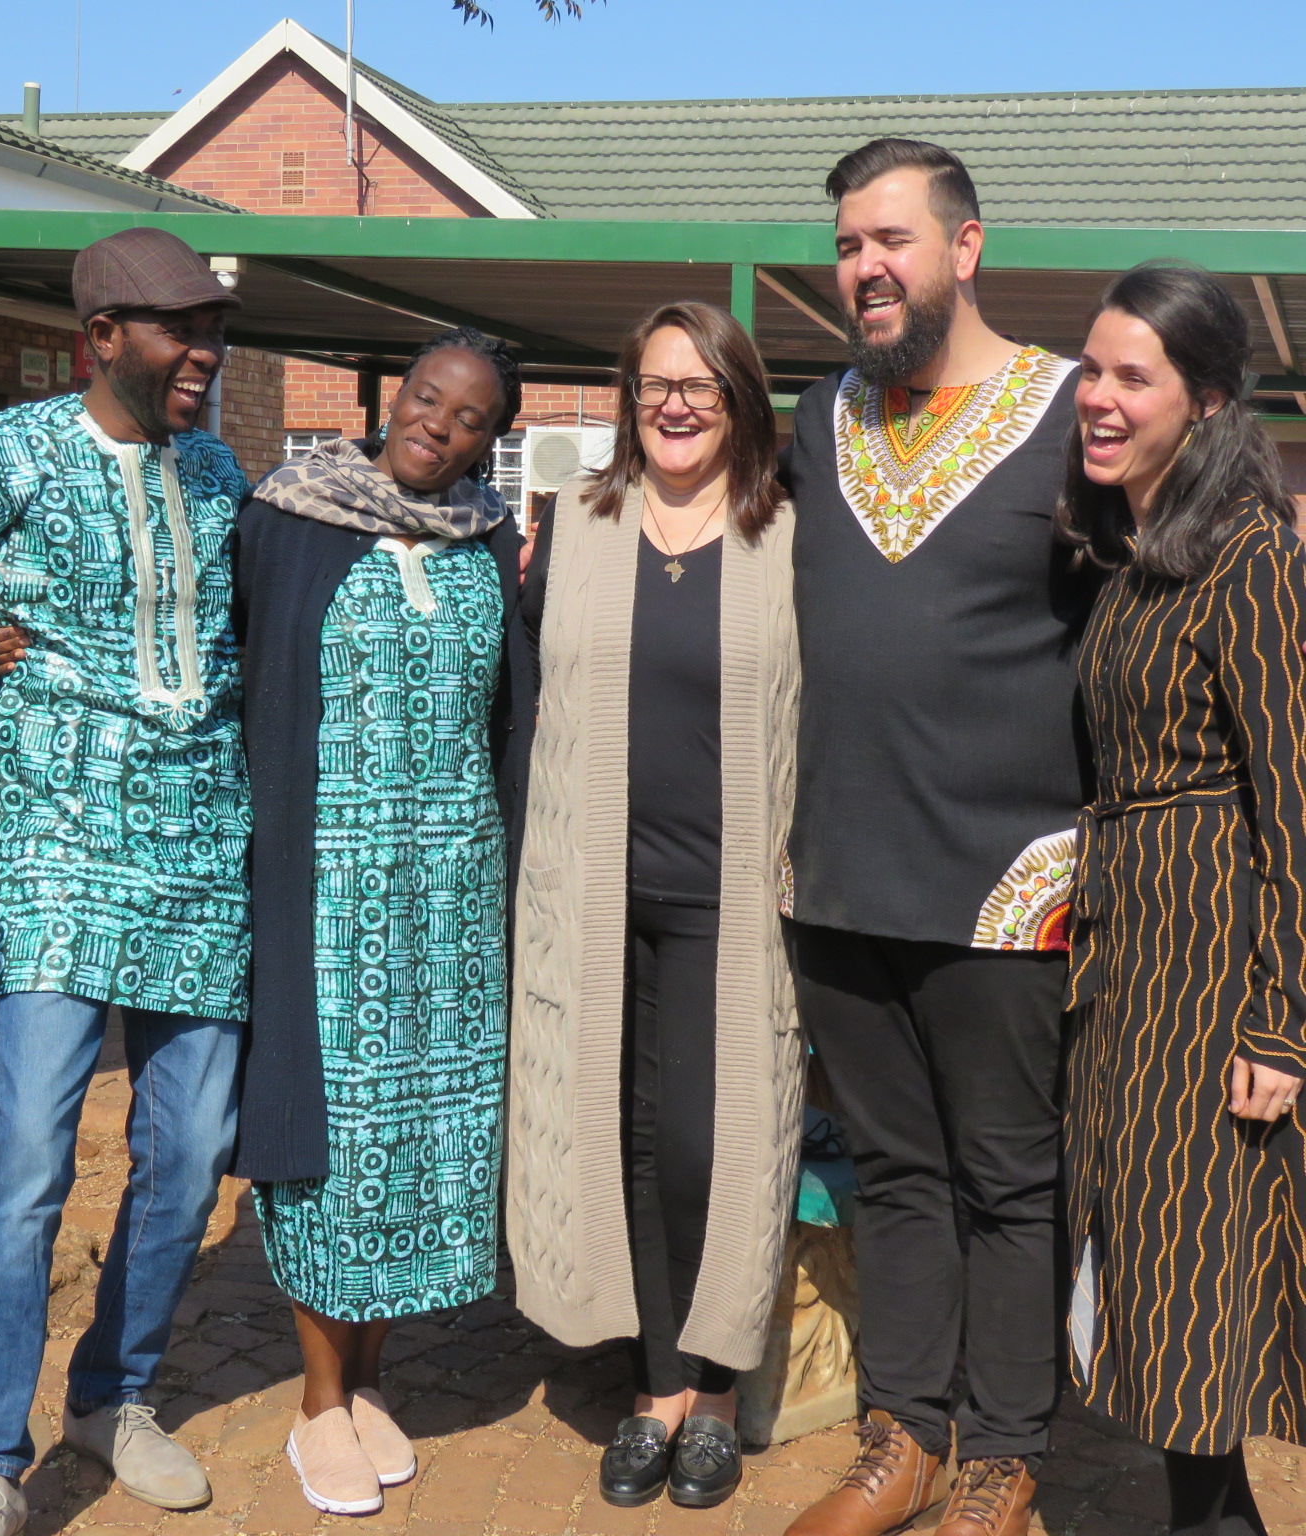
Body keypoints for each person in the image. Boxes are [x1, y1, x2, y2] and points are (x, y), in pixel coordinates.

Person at [0, 228, 251, 1536]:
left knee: (190, 1153)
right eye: (180, 330)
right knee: (28, 1151)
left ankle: (112, 1395)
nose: (205, 353)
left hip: (205, 844)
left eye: (215, 330)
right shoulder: (0, 453)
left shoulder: (217, 470)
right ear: (101, 337)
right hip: (62, 844)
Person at [779, 140, 1099, 1536]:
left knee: (1011, 1182)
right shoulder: (819, 418)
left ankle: (1004, 1456)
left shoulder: (1073, 413)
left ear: (967, 248)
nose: (866, 267)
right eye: (849, 244)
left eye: (892, 239)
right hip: (842, 873)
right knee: (896, 1171)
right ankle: (904, 1435)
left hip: (1011, 881)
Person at [231, 327, 533, 1517]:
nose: (437, 425)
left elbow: (510, 710)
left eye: (468, 418)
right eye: (426, 397)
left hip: (452, 895)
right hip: (329, 886)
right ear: (395, 397)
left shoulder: (486, 539)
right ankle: (318, 1403)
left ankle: (367, 1382)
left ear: (488, 443)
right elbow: (218, 655)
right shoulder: (289, 517)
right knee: (336, 1142)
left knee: (421, 1141)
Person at [507, 301, 802, 1512]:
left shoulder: (790, 534)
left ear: (740, 401)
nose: (676, 406)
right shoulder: (577, 525)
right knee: (618, 1134)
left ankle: (720, 1386)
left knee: (709, 1141)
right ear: (630, 401)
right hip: (593, 892)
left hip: (731, 902)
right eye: (654, 385)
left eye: (701, 386)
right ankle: (657, 1387)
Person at [1058, 261, 1306, 1536]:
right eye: (1090, 370)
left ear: (1204, 401)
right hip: (1133, 953)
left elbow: (1296, 795)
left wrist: (1282, 1021)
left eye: (1132, 377)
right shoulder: (1139, 555)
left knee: (1199, 1279)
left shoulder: (1252, 556)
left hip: (1214, 964)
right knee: (1161, 1282)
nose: (1097, 397)